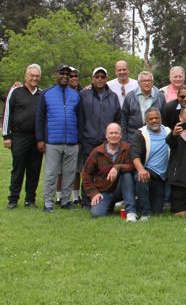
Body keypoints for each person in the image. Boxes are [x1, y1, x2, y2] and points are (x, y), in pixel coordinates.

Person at [36, 64, 81, 213]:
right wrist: (40, 139)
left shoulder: (75, 95)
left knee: (69, 173)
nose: (65, 76)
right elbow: (40, 118)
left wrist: (79, 140)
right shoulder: (46, 94)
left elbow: (80, 118)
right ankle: (48, 202)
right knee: (51, 173)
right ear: (56, 74)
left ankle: (65, 201)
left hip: (71, 141)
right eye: (62, 73)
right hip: (52, 141)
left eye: (68, 74)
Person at [77, 67, 121, 207]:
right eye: (97, 76)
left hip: (106, 141)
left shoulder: (113, 96)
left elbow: (117, 118)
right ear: (93, 78)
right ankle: (86, 200)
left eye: (103, 76)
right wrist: (80, 137)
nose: (100, 79)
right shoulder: (84, 94)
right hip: (88, 138)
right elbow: (79, 117)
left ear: (107, 78)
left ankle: (105, 198)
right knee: (87, 170)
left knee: (105, 170)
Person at [3, 64, 43, 209]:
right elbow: (7, 113)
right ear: (26, 76)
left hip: (37, 138)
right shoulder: (16, 91)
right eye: (32, 75)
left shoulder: (42, 94)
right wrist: (6, 136)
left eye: (37, 76)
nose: (34, 78)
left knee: (34, 170)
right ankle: (13, 199)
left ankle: (30, 199)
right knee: (18, 169)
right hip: (19, 137)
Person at [81, 123, 136, 220]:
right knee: (97, 214)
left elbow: (133, 166)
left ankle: (130, 212)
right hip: (104, 191)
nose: (114, 135)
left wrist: (117, 167)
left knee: (127, 175)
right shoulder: (97, 152)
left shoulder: (127, 148)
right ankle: (109, 204)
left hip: (121, 189)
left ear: (121, 135)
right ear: (106, 135)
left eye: (116, 133)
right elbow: (86, 174)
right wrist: (93, 193)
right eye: (111, 133)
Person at [130, 108, 171, 220]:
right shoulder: (140, 133)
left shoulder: (168, 131)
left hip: (161, 177)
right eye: (151, 119)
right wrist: (141, 169)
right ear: (146, 121)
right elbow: (134, 155)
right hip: (147, 171)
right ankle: (145, 213)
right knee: (141, 178)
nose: (154, 121)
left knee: (157, 211)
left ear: (160, 119)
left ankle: (138, 203)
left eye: (156, 118)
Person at [121, 71, 166, 143]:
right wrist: (124, 140)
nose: (147, 83)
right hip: (133, 137)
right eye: (144, 81)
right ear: (139, 83)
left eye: (149, 81)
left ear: (152, 82)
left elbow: (164, 118)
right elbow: (123, 119)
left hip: (155, 138)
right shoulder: (130, 97)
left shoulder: (160, 96)